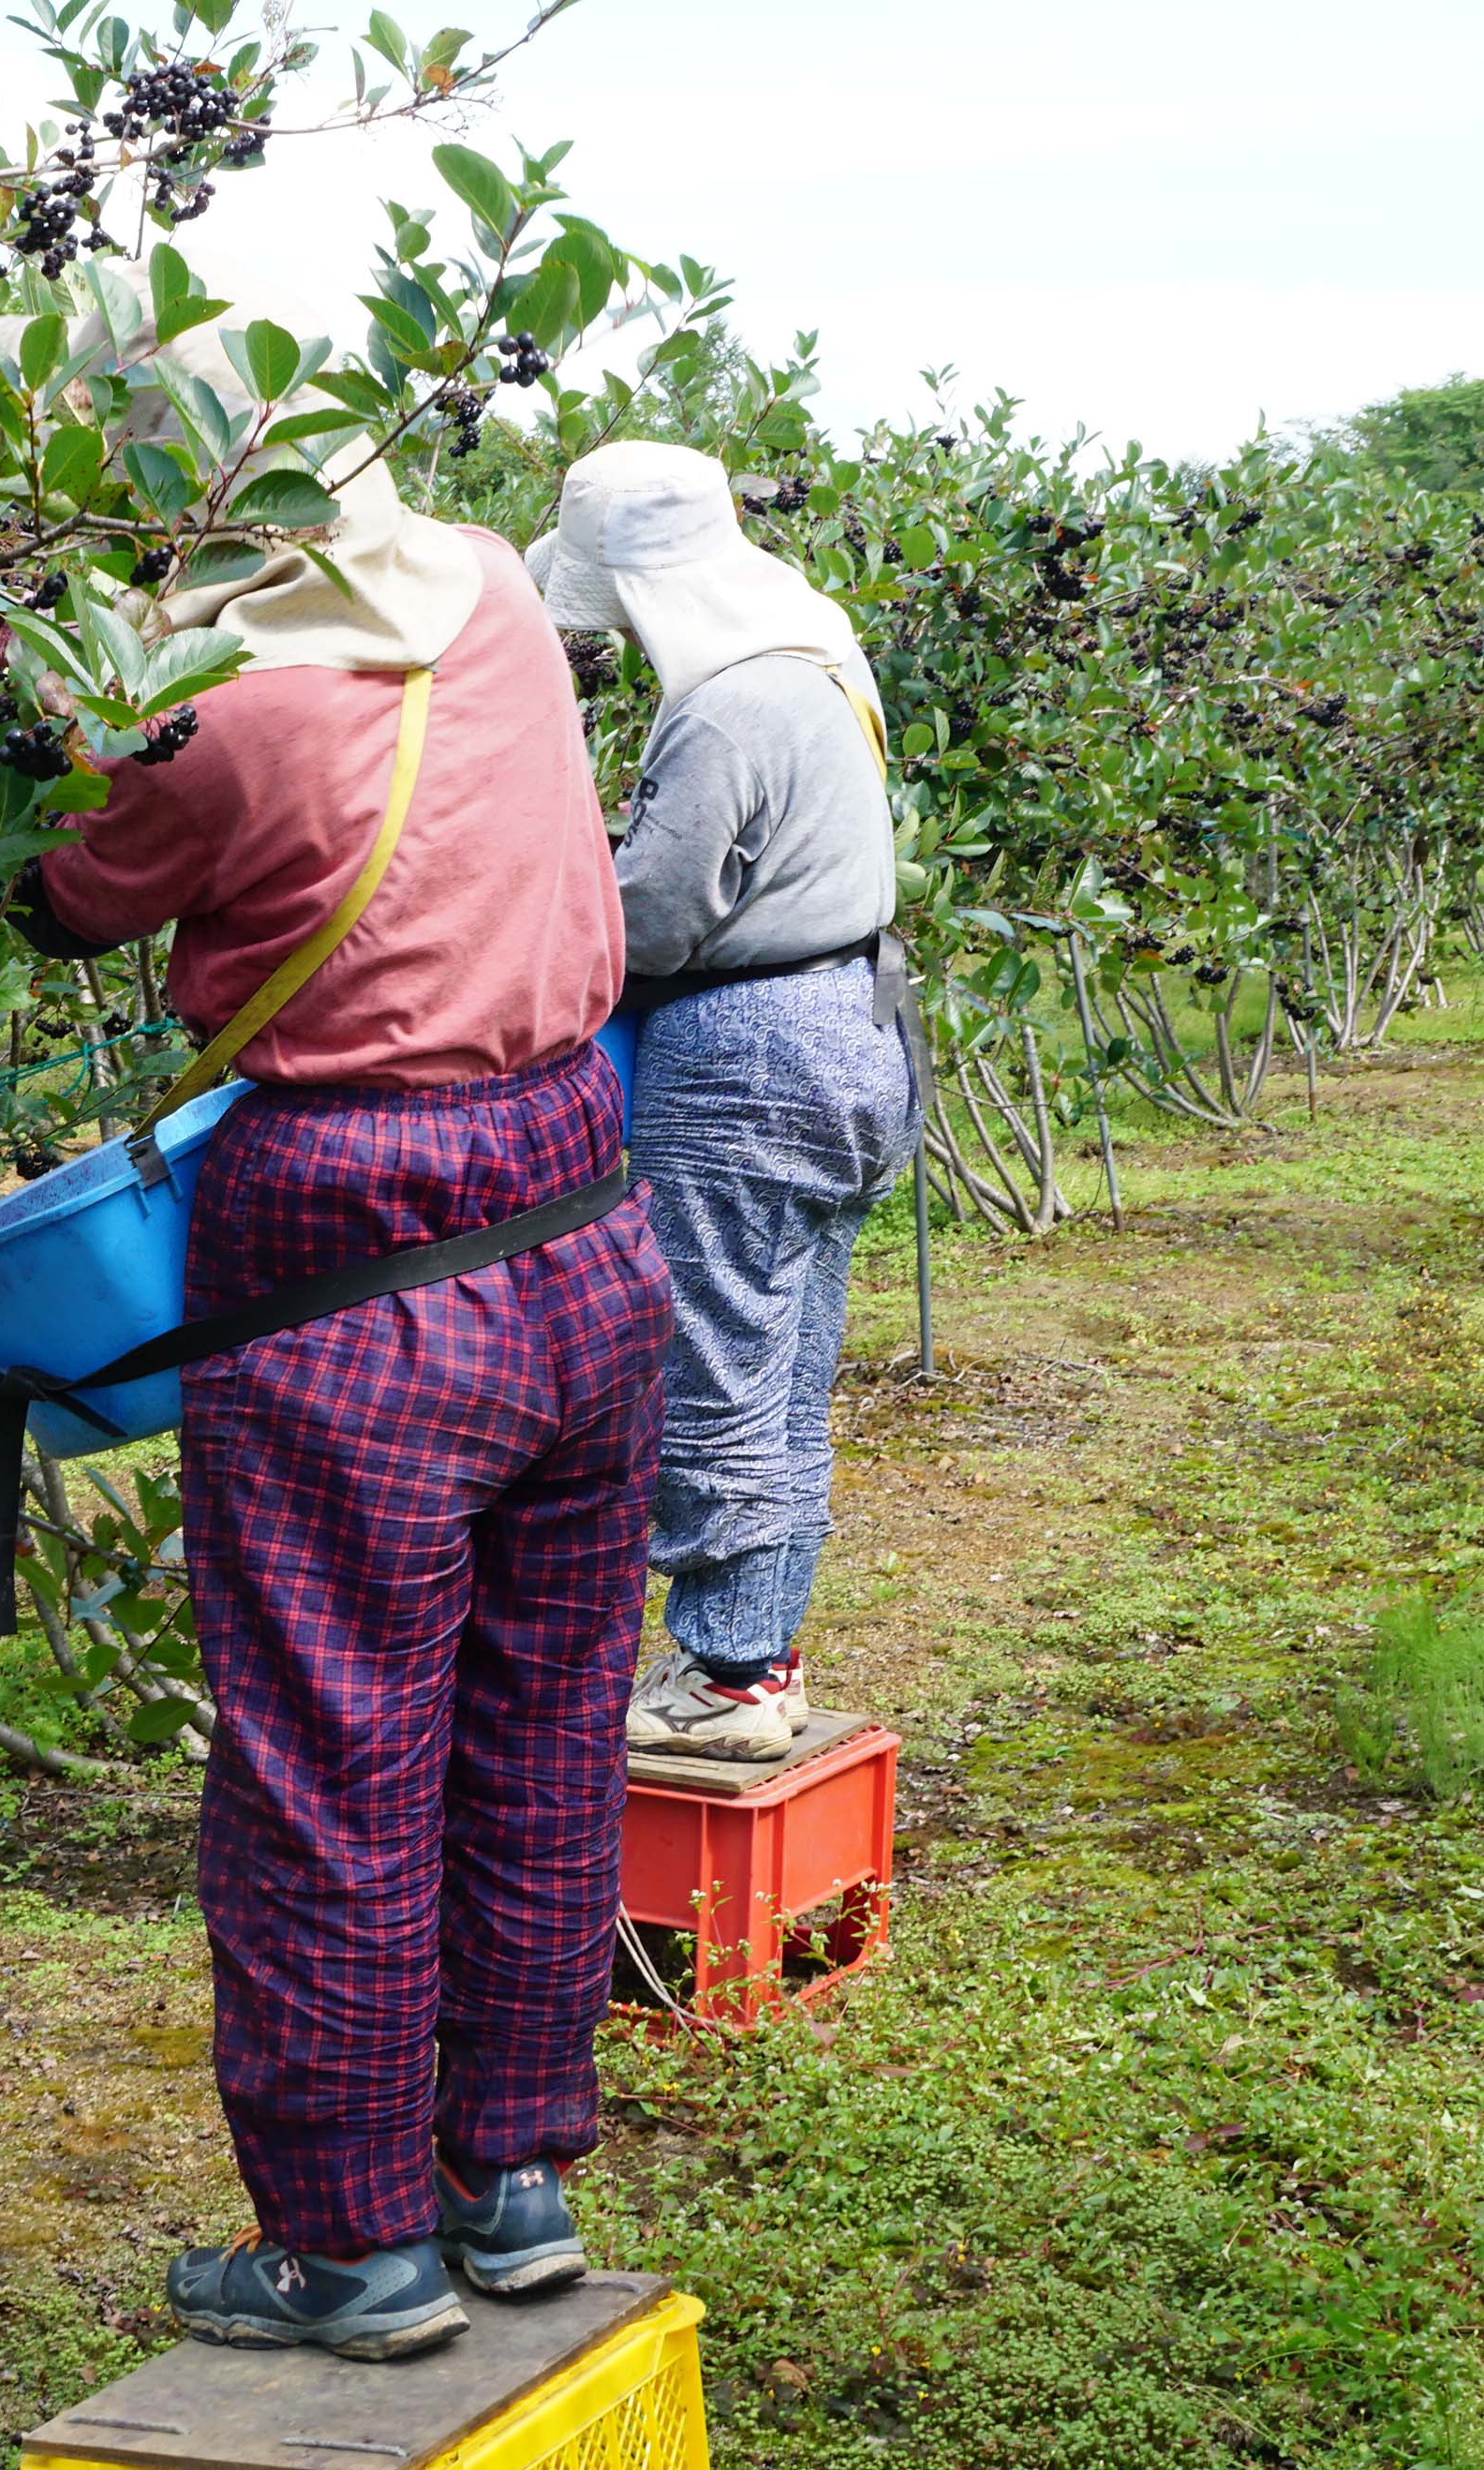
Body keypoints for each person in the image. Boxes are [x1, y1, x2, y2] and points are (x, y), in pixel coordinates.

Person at [7, 291, 671, 2361]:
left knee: (330, 1760)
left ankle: (353, 2240)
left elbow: (61, 895)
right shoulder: (478, 586)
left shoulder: (220, 713)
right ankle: (514, 2175)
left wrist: (4, 703)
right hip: (585, 1205)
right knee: (544, 1722)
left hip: (357, 1252)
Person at [527, 442, 924, 1763]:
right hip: (857, 1032)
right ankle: (758, 1649)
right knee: (789, 1365)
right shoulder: (817, 659)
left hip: (749, 1061)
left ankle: (732, 1676)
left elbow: (658, 915)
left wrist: (540, 904)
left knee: (715, 1363)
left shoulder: (726, 707)